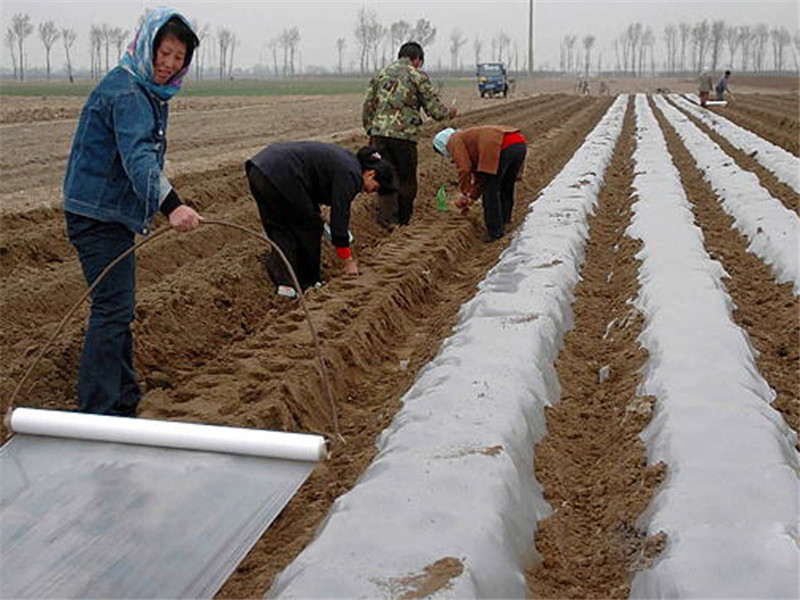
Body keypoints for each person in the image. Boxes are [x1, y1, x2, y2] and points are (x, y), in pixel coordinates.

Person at [62, 8, 201, 417]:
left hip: (110, 212)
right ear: (148, 45)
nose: (169, 64)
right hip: (97, 214)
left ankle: (122, 400)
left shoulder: (146, 91)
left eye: (179, 58)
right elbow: (139, 159)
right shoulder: (128, 93)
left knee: (117, 307)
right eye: (165, 53)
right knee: (111, 309)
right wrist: (172, 206)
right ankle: (99, 411)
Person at [245, 142, 396, 298]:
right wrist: (348, 261)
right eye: (376, 187)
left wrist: (318, 215)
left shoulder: (347, 162)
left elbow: (310, 191)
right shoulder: (352, 175)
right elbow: (340, 217)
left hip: (259, 169)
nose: (370, 192)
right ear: (371, 174)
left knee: (281, 229)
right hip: (283, 172)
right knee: (310, 229)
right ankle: (309, 284)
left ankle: (286, 286)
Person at [362, 41, 457, 228]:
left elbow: (368, 106)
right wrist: (450, 112)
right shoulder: (417, 76)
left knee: (385, 176)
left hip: (379, 134)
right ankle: (403, 221)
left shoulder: (381, 74)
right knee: (406, 179)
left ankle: (387, 220)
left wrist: (370, 131)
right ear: (417, 60)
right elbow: (434, 109)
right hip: (404, 137)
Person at [433, 126, 527, 242]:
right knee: (505, 186)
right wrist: (471, 198)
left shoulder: (454, 140)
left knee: (490, 192)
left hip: (501, 148)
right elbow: (480, 177)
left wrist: (464, 193)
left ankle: (495, 232)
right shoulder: (469, 140)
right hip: (518, 144)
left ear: (443, 146)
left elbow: (464, 168)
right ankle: (505, 220)